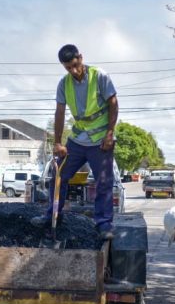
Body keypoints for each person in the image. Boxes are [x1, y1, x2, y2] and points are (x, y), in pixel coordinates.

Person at [31, 44, 118, 240]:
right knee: (59, 175)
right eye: (68, 68)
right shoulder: (64, 84)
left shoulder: (99, 76)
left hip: (100, 140)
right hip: (78, 140)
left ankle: (103, 224)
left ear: (81, 57)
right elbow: (60, 112)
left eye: (75, 65)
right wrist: (58, 142)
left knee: (104, 181)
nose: (74, 71)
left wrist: (109, 133)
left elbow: (113, 103)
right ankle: (53, 215)